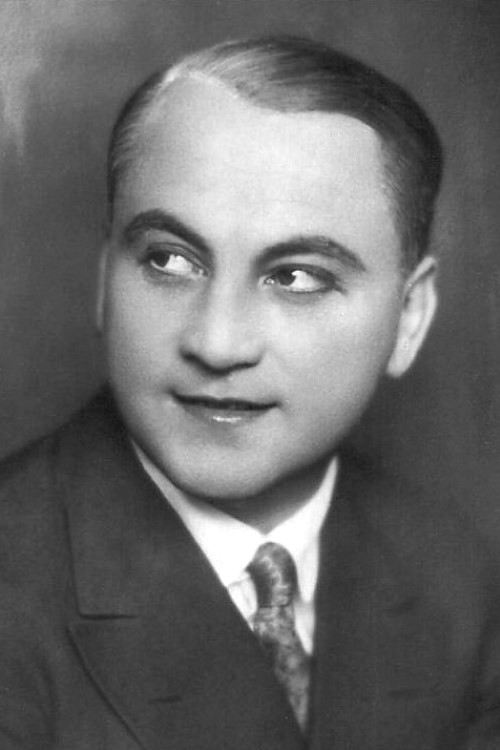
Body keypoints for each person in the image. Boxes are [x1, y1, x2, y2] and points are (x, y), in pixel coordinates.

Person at [0, 35, 499, 750]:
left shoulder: (459, 582)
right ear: (106, 278)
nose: (217, 342)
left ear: (409, 317)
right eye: (169, 260)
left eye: (296, 277)